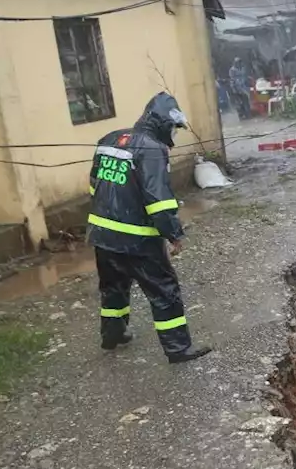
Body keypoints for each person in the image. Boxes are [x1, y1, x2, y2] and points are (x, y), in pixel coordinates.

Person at [87, 92, 211, 364]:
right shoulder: (152, 149)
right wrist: (174, 234)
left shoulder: (109, 139)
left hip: (102, 234)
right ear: (164, 124)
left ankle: (112, 334)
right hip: (137, 240)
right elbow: (159, 201)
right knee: (164, 291)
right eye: (174, 129)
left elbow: (94, 185)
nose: (174, 135)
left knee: (113, 286)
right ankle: (178, 348)